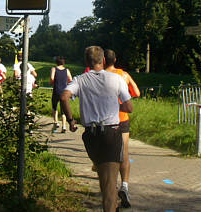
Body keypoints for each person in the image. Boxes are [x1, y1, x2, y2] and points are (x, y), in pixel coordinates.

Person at [60, 46, 133, 212]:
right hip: (111, 132)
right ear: (103, 61)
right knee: (110, 184)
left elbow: (64, 97)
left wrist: (71, 120)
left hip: (90, 135)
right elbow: (129, 107)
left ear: (86, 62)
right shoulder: (116, 79)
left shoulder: (80, 79)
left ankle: (112, 207)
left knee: (104, 178)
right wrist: (114, 106)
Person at [104, 49, 140, 209]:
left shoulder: (98, 75)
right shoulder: (123, 75)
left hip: (105, 120)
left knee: (108, 157)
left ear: (103, 60)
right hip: (122, 117)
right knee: (124, 153)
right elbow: (137, 93)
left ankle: (111, 190)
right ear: (115, 60)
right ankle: (125, 186)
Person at [50, 56, 72, 133]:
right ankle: (64, 126)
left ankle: (56, 122)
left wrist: (52, 83)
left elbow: (52, 78)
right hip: (64, 91)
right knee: (63, 109)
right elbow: (70, 79)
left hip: (56, 90)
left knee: (54, 106)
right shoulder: (67, 70)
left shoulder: (54, 69)